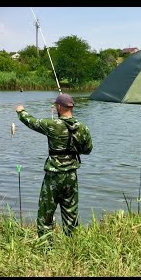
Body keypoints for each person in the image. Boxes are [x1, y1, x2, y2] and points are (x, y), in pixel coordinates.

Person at [15, 93, 92, 240]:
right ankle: (73, 244)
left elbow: (31, 122)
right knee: (71, 213)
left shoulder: (52, 125)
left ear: (59, 107)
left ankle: (46, 248)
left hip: (53, 176)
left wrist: (20, 111)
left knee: (46, 213)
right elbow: (87, 150)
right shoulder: (83, 128)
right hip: (71, 176)